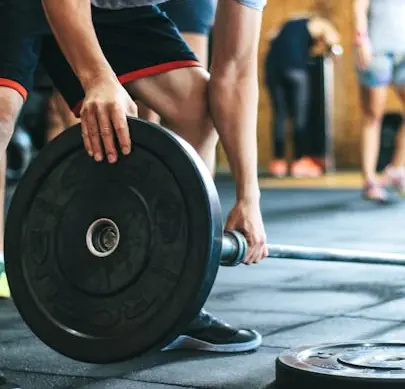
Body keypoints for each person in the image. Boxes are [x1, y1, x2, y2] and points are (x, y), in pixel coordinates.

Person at [0, 0, 268, 353]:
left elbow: (234, 72)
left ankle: (169, 299)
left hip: (107, 7)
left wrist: (249, 196)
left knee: (195, 110)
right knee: (2, 109)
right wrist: (96, 77)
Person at [264, 12, 340, 178]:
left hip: (273, 68)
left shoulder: (286, 24)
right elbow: (332, 40)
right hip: (296, 69)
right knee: (300, 115)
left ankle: (278, 162)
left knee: (280, 115)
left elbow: (269, 37)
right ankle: (300, 161)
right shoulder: (317, 23)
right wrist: (332, 51)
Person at [354, 0, 405, 202]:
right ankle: (369, 180)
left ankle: (397, 169)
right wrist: (361, 40)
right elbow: (359, 7)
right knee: (373, 115)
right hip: (377, 49)